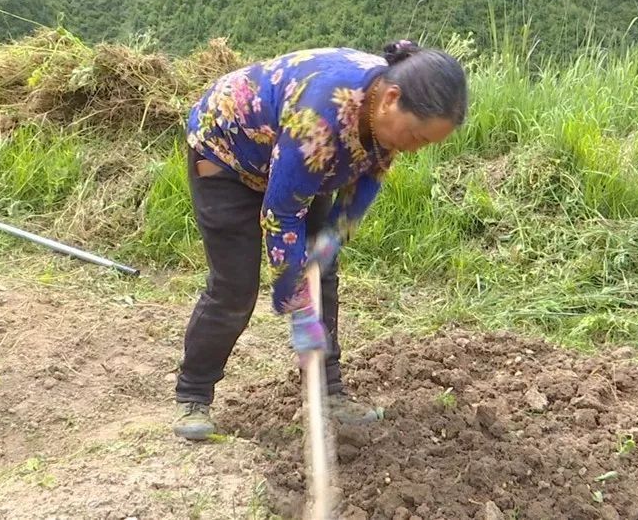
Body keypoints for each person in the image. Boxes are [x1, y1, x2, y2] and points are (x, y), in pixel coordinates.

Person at [173, 40, 468, 440]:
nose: (415, 149)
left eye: (427, 143)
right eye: (417, 137)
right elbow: (281, 216)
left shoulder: (387, 117)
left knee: (322, 274)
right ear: (392, 100)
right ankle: (194, 393)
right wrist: (296, 304)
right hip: (228, 155)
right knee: (236, 285)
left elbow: (367, 179)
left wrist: (329, 243)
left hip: (297, 163)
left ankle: (328, 392)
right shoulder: (321, 119)